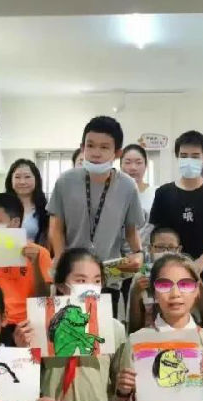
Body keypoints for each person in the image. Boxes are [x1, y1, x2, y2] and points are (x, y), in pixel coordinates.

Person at [47, 116, 144, 312]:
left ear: (117, 153)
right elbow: (56, 228)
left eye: (104, 147)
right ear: (82, 147)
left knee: (104, 329)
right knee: (68, 326)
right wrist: (61, 262)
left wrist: (139, 254)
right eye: (90, 145)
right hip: (72, 276)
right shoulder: (65, 181)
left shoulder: (128, 186)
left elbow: (131, 231)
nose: (95, 153)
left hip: (108, 276)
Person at [114, 253, 203, 401]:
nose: (175, 294)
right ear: (154, 293)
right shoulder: (136, 341)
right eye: (164, 285)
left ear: (196, 291)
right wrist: (123, 391)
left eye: (185, 284)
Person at [35, 248, 127, 401]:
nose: (90, 288)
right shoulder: (42, 324)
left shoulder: (115, 329)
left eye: (97, 281)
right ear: (61, 286)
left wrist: (124, 389)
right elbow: (29, 379)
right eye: (81, 281)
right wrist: (24, 348)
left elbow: (121, 385)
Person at [148, 130, 203, 274]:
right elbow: (157, 236)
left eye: (195, 156)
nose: (189, 161)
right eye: (183, 156)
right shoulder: (163, 192)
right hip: (171, 270)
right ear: (177, 157)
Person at [0, 193, 51, 337]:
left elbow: (43, 298)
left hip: (28, 323)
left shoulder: (39, 253)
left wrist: (35, 265)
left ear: (15, 222)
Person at [5, 158, 49, 246]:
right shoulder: (1, 205)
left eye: (27, 177)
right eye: (17, 177)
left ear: (36, 180)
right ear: (10, 180)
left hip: (36, 253)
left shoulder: (46, 208)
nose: (22, 182)